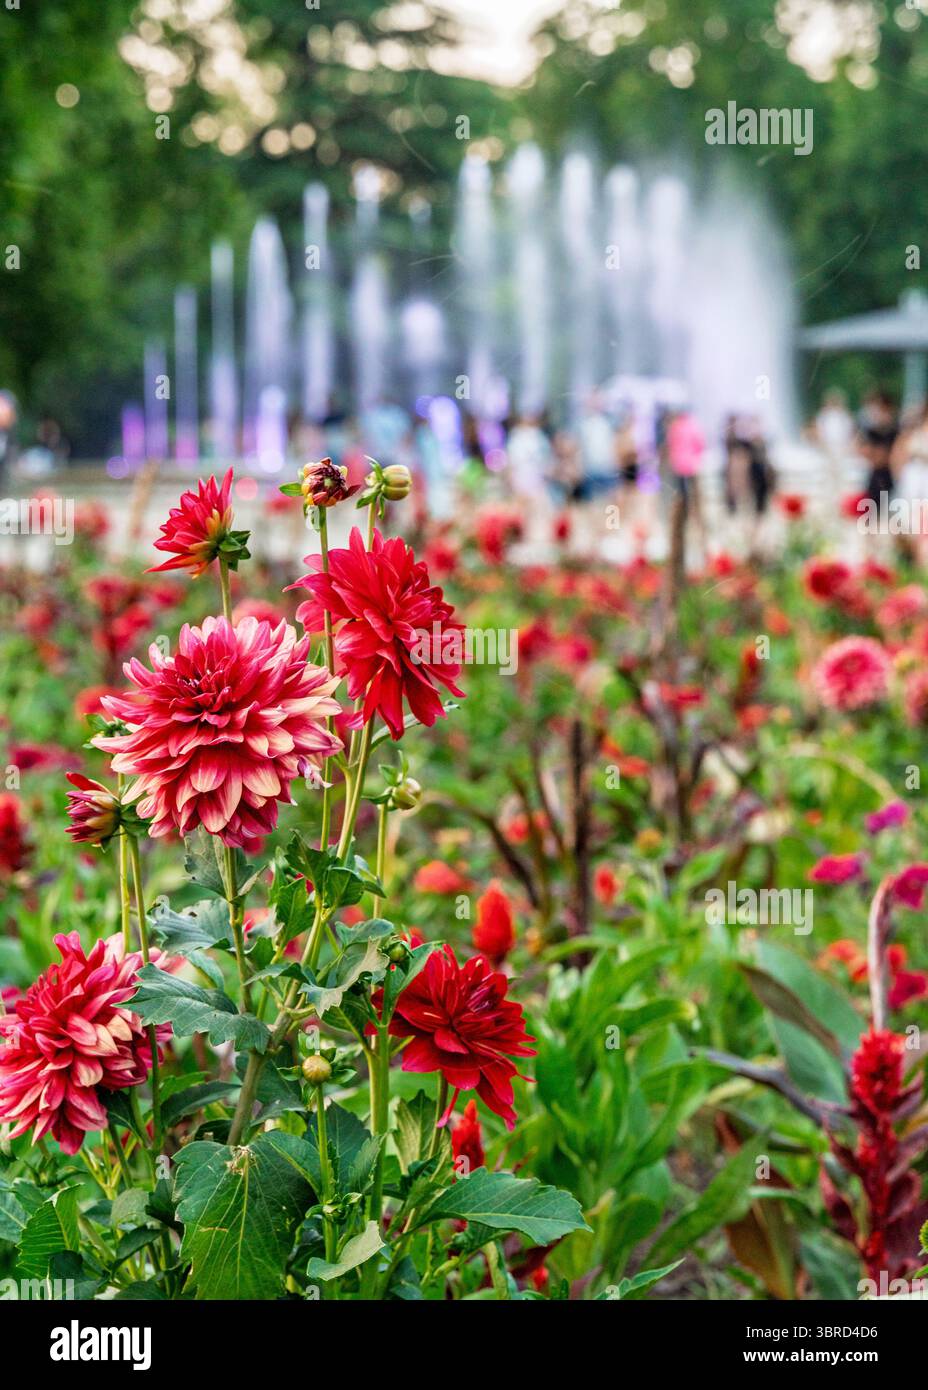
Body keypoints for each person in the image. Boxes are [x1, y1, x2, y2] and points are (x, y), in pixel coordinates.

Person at [857, 389, 898, 504]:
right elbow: (863, 449)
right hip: (874, 475)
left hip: (890, 476)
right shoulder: (871, 430)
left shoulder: (895, 429)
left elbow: (886, 456)